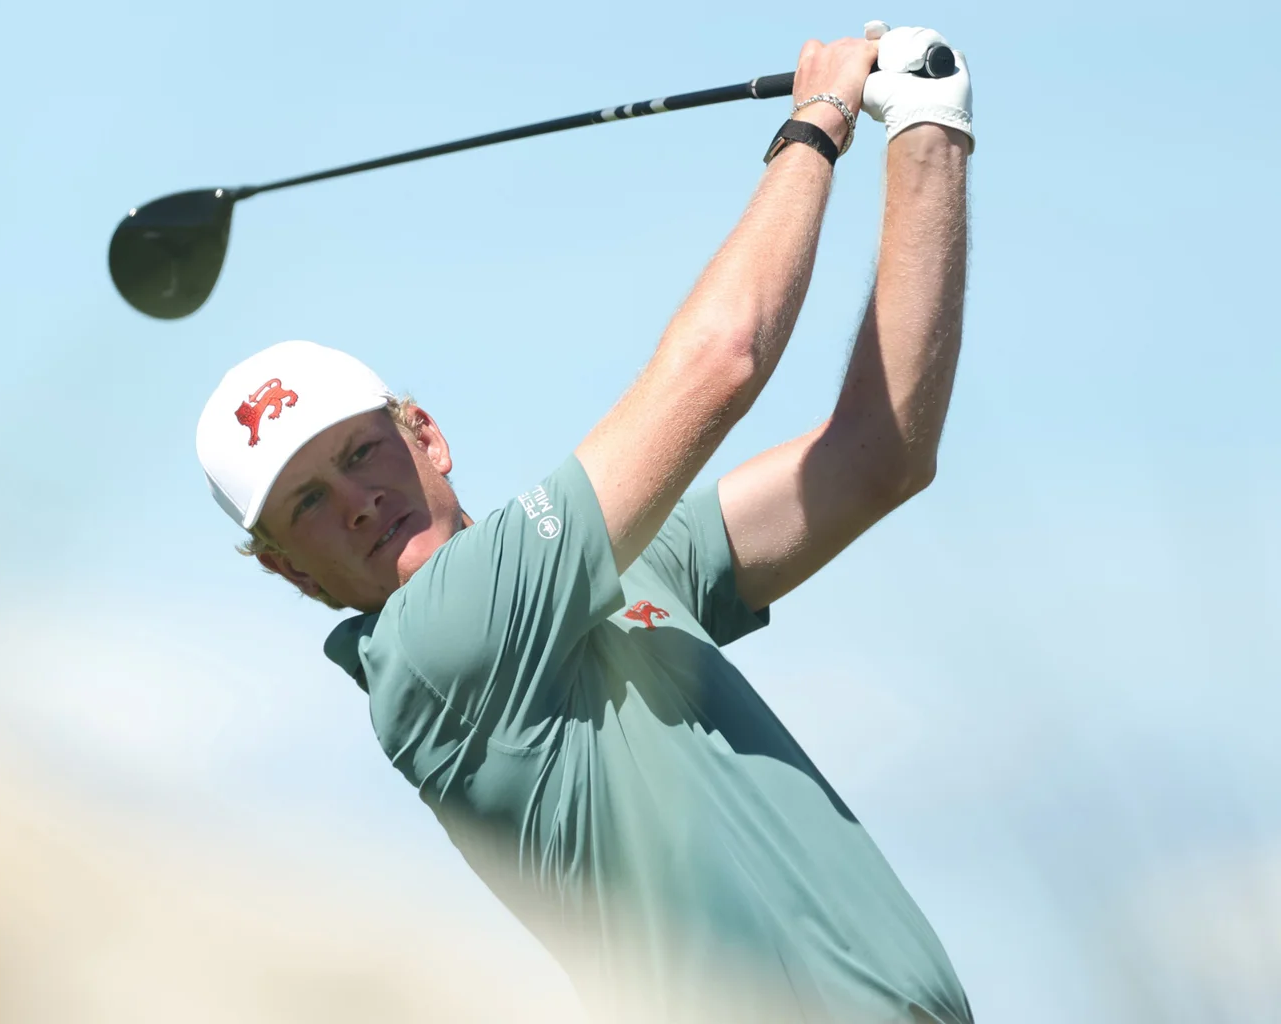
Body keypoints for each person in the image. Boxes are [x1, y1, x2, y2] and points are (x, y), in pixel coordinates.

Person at [194, 23, 974, 1023]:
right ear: (292, 573)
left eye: (359, 452)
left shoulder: (620, 568)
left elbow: (877, 457)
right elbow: (720, 360)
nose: (356, 500)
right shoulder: (436, 650)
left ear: (423, 433)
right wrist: (818, 123)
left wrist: (928, 129)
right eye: (306, 502)